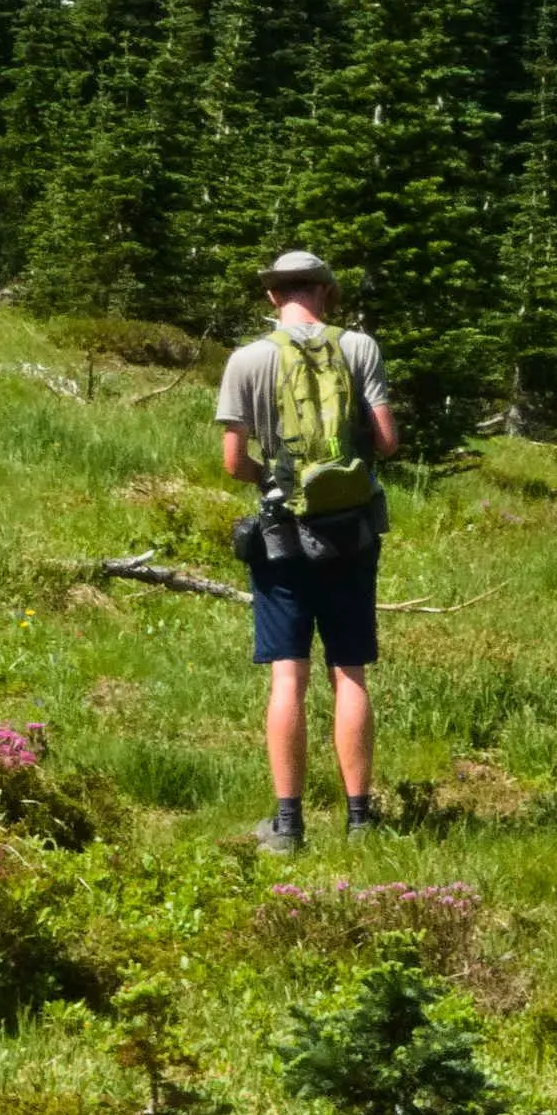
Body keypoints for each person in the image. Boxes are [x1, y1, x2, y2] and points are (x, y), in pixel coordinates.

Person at [215, 246, 396, 853]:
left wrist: (276, 479)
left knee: (288, 677)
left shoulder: (248, 358)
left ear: (273, 295)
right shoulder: (360, 348)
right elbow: (389, 442)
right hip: (351, 532)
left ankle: (288, 824)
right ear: (326, 292)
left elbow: (234, 461)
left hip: (282, 537)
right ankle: (360, 819)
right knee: (350, 672)